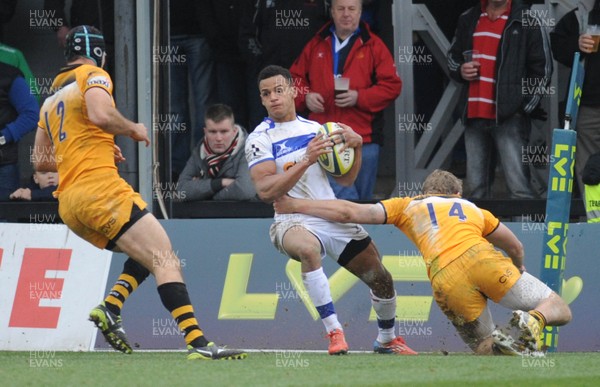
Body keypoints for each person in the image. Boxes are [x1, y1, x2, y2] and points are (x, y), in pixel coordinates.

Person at [33, 25, 246, 360]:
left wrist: (95, 148)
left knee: (147, 255)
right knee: (165, 258)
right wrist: (132, 129)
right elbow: (101, 114)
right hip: (101, 191)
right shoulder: (95, 76)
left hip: (71, 205)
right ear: (99, 52)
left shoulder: (49, 101)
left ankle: (110, 307)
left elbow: (41, 162)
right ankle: (199, 344)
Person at [274, 169, 573, 355]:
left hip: (445, 279)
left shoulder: (408, 205)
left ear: (425, 191)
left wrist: (295, 204)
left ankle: (508, 345)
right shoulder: (471, 208)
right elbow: (514, 244)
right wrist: (518, 267)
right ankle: (533, 320)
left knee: (485, 348)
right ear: (457, 193)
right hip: (483, 260)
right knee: (558, 308)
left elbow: (349, 213)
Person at [245, 64, 416, 356]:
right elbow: (265, 191)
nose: (273, 97)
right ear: (261, 100)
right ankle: (335, 332)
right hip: (291, 219)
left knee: (381, 278)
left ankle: (387, 339)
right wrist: (306, 160)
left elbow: (346, 178)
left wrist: (358, 147)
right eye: (266, 93)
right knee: (309, 250)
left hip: (328, 214)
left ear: (292, 90)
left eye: (278, 90)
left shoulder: (317, 130)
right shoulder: (259, 139)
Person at [290, 0, 401, 200]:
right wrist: (305, 97)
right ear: (332, 12)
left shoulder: (374, 45)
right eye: (340, 9)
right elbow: (293, 80)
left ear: (360, 13)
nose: (346, 14)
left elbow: (392, 86)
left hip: (363, 139)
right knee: (344, 198)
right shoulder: (316, 43)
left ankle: (358, 228)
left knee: (362, 200)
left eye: (352, 9)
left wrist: (359, 97)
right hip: (322, 138)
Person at [447, 0, 551, 199]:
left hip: (510, 117)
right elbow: (452, 56)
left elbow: (543, 70)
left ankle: (522, 231)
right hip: (474, 114)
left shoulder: (528, 20)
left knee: (519, 188)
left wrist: (522, 108)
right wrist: (460, 70)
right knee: (476, 189)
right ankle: (479, 231)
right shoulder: (469, 18)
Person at [238, 0, 330, 131]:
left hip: (307, 81)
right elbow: (247, 35)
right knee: (263, 131)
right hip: (267, 79)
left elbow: (331, 32)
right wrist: (263, 67)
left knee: (305, 136)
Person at [551, 0, 600, 198]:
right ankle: (595, 220)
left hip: (589, 103)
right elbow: (556, 45)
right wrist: (576, 44)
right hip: (589, 104)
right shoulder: (581, 15)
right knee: (588, 168)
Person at [168, 0, 216, 182]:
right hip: (170, 33)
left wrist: (211, 30)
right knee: (175, 106)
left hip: (199, 33)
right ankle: (178, 167)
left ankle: (201, 164)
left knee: (203, 106)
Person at [176, 103, 256, 201]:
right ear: (205, 132)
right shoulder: (200, 150)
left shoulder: (249, 148)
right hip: (206, 215)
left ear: (234, 131)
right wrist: (220, 183)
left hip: (244, 214)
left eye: (224, 132)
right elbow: (181, 191)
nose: (218, 138)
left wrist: (206, 195)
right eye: (213, 132)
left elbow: (245, 190)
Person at [0, 61, 39, 201]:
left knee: (4, 219)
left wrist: (3, 137)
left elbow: (31, 114)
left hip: (3, 165)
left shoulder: (8, 75)